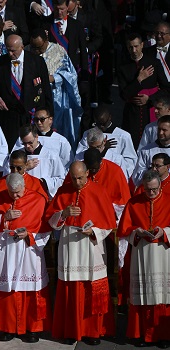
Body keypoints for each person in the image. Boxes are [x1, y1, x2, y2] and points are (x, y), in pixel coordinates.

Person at [45, 161, 116, 345]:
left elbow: (109, 224)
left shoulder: (99, 191)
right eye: (73, 178)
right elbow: (51, 221)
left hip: (91, 246)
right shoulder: (63, 191)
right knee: (71, 290)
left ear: (87, 174)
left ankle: (92, 332)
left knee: (91, 289)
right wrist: (63, 213)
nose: (76, 182)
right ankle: (70, 330)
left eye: (80, 178)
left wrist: (94, 232)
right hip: (70, 246)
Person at [0, 173, 52, 343]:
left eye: (18, 192)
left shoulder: (38, 200)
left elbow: (45, 228)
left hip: (28, 249)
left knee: (30, 289)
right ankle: (7, 327)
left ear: (24, 186)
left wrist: (29, 234)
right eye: (12, 193)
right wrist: (4, 218)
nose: (15, 196)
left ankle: (32, 328)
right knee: (6, 289)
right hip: (5, 248)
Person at [117, 170, 170, 348]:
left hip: (163, 254)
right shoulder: (134, 202)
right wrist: (136, 232)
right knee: (142, 295)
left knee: (162, 295)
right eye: (147, 190)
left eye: (154, 189)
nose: (151, 193)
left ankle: (163, 336)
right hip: (141, 253)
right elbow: (124, 231)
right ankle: (140, 335)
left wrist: (165, 232)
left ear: (160, 185)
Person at [0, 34, 53, 146]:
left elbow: (46, 91)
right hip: (10, 116)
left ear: (22, 47)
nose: (10, 54)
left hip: (31, 115)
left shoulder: (37, 61)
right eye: (8, 50)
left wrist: (49, 117)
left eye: (13, 51)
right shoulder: (2, 62)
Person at [27, 28, 82, 146]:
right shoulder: (27, 51)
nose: (36, 51)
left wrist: (54, 78)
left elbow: (71, 75)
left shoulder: (58, 51)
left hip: (56, 97)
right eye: (34, 47)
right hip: (34, 96)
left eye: (39, 47)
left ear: (46, 41)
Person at [118, 32, 169, 148]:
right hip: (132, 113)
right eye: (130, 47)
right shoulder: (123, 66)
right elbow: (123, 94)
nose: (134, 50)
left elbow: (166, 88)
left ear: (142, 45)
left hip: (150, 110)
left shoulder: (154, 63)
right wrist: (139, 80)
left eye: (136, 46)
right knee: (132, 144)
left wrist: (150, 99)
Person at [76, 106, 137, 179]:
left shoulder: (123, 136)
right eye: (98, 124)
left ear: (110, 117)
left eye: (103, 123)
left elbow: (131, 162)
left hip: (113, 176)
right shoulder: (88, 134)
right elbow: (79, 156)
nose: (101, 127)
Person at [9, 125, 66, 197]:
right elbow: (8, 176)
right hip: (21, 196)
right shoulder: (17, 156)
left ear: (36, 137)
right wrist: (24, 168)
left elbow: (61, 179)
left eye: (30, 142)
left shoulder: (51, 155)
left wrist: (45, 182)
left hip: (41, 194)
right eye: (24, 143)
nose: (27, 146)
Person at [134, 115, 170, 185]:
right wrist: (153, 172)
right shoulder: (146, 150)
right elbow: (137, 174)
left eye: (164, 130)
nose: (160, 133)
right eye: (159, 129)